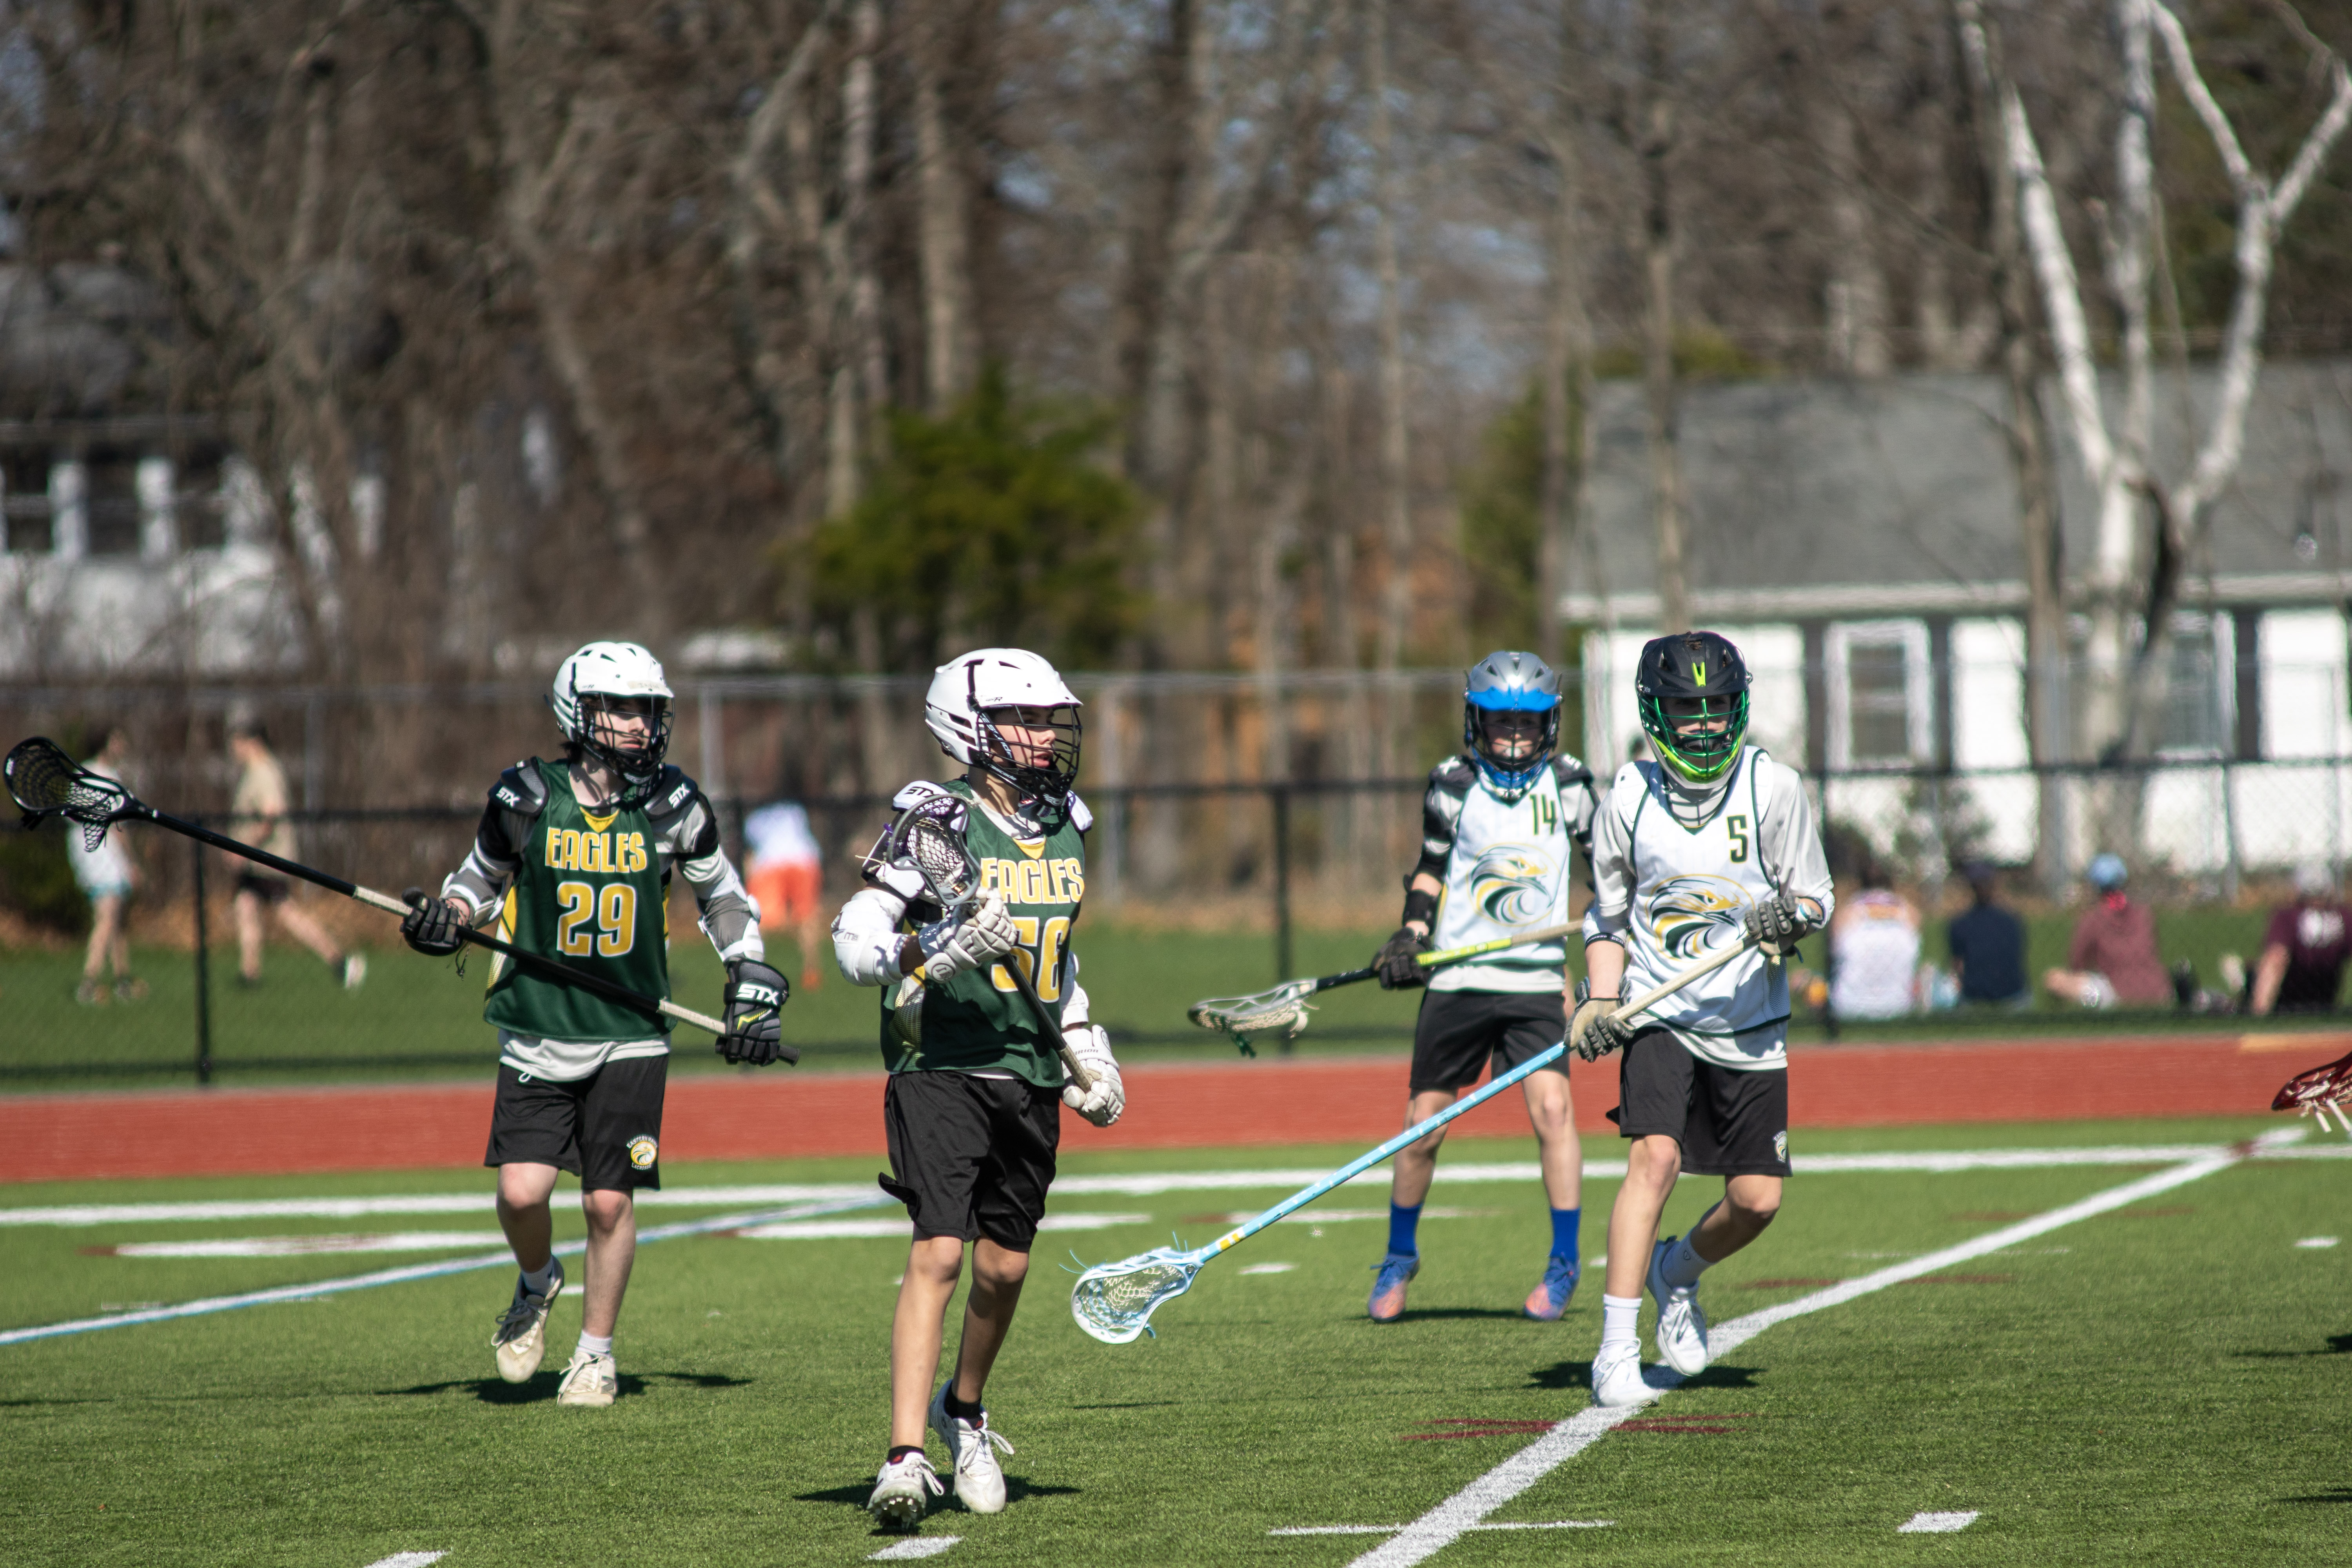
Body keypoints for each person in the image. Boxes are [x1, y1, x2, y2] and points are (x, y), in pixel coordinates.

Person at [399, 641, 788, 1408]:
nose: (640, 724)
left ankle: (595, 1355)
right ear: (579, 713)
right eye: (622, 708)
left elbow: (722, 895)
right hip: (538, 1022)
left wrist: (748, 969)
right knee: (522, 1193)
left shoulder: (674, 804)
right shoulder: (526, 795)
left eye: (649, 709)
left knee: (608, 1200)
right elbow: (480, 878)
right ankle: (538, 1279)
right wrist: (450, 914)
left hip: (631, 1028)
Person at [832, 648, 1124, 1530]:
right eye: (1023, 720)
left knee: (1005, 1266)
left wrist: (1088, 1046)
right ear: (970, 728)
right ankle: (903, 1457)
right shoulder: (938, 820)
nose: (1043, 737)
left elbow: (1057, 961)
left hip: (1029, 1069)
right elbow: (854, 941)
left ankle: (963, 1411)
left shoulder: (1068, 821)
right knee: (941, 1251)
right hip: (941, 1063)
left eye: (1048, 721)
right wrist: (935, 949)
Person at [1569, 630, 1834, 1409]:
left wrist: (1788, 915)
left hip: (1749, 1020)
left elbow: (1817, 896)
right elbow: (1607, 916)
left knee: (1756, 1200)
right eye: (1689, 709)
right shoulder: (1628, 799)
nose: (1707, 723)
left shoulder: (1772, 787)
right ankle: (1616, 1350)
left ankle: (1676, 1271)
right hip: (1661, 1011)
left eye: (1719, 706)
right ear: (1657, 714)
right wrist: (1602, 998)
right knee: (1653, 1158)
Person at [1365, 650, 1599, 1324]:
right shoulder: (1452, 784)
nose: (1515, 735)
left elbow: (1608, 872)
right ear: (1477, 721)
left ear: (1548, 724)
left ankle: (1564, 1262)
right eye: (1502, 721)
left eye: (1528, 723)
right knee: (1423, 1129)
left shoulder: (1572, 785)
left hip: (1535, 981)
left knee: (1554, 1112)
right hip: (1461, 978)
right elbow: (1430, 869)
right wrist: (1411, 934)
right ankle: (1399, 1256)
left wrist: (1604, 940)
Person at [227, 712, 364, 991]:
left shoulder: (264, 772)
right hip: (256, 861)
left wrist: (243, 848)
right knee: (246, 906)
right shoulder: (253, 772)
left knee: (287, 913)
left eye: (238, 742)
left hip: (268, 859)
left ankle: (338, 959)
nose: (234, 749)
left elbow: (271, 815)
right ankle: (250, 973)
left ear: (254, 742)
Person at [67, 726, 143, 1005]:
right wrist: (132, 862)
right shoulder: (107, 777)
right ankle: (88, 983)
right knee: (107, 918)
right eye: (117, 740)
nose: (121, 745)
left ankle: (123, 980)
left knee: (116, 919)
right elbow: (117, 826)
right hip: (103, 855)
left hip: (88, 852)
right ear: (105, 744)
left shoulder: (82, 774)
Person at [2043, 853, 2167, 1008]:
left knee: (2054, 979)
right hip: (2157, 988)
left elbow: (2077, 963)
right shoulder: (2144, 915)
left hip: (2118, 991)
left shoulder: (2093, 919)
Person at [744, 800, 827, 991]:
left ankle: (750, 970)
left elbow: (750, 854)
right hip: (804, 860)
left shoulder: (754, 818)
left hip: (768, 863)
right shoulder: (797, 809)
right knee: (807, 917)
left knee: (758, 919)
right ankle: (812, 971)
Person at [2250, 862, 2352, 1016]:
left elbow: (2276, 958)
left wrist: (2260, 1011)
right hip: (2326, 1004)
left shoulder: (2289, 917)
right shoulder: (2344, 918)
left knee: (2257, 969)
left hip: (2285, 1006)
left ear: (2297, 889)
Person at [1826, 862, 1920, 1021]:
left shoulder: (1847, 912)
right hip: (1899, 1005)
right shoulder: (1910, 911)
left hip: (1849, 1005)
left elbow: (1834, 956)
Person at [1946, 861, 2030, 1007]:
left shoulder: (1960, 923)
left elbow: (1958, 966)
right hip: (2012, 993)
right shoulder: (2012, 921)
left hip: (1974, 995)